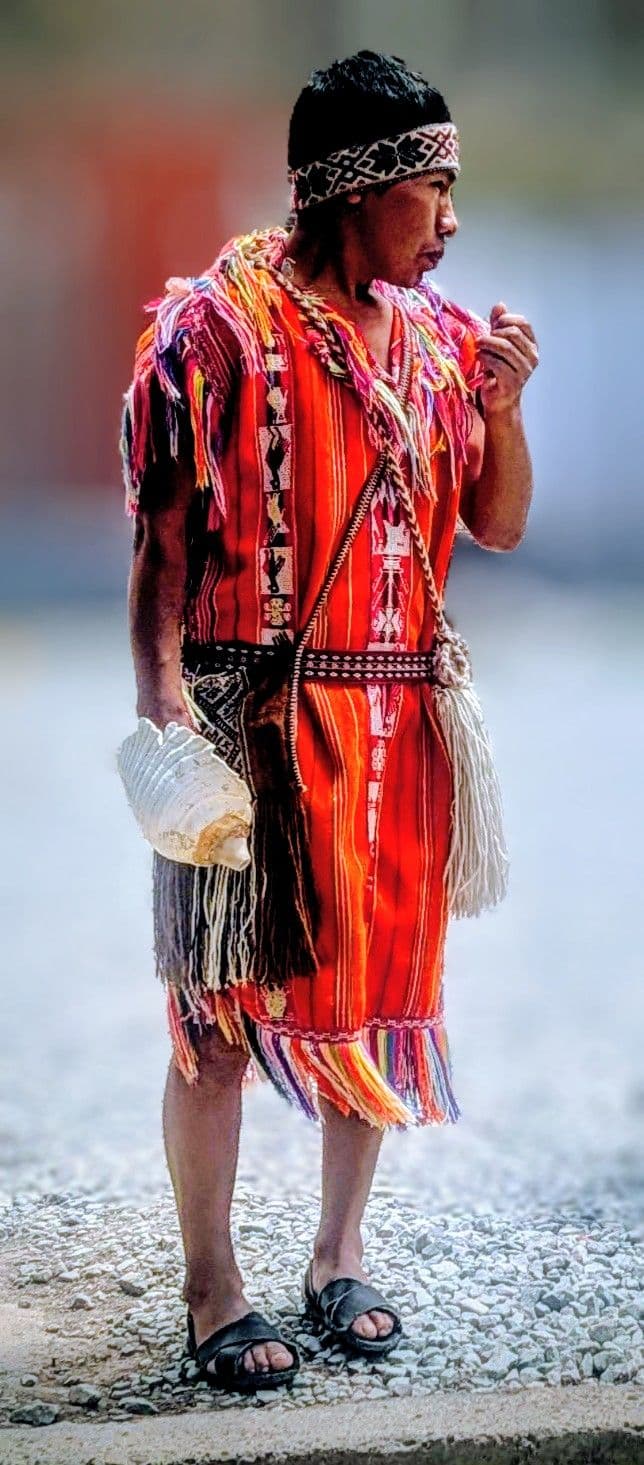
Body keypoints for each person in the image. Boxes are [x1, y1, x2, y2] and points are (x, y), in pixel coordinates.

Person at [120, 50, 537, 1393]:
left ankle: (340, 1253)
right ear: (356, 191)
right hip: (247, 713)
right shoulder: (219, 329)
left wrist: (502, 410)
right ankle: (214, 1288)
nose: (452, 220)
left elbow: (499, 521)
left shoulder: (434, 342)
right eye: (434, 188)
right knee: (217, 1011)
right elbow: (165, 539)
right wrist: (163, 708)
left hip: (398, 720)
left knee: (377, 1003)